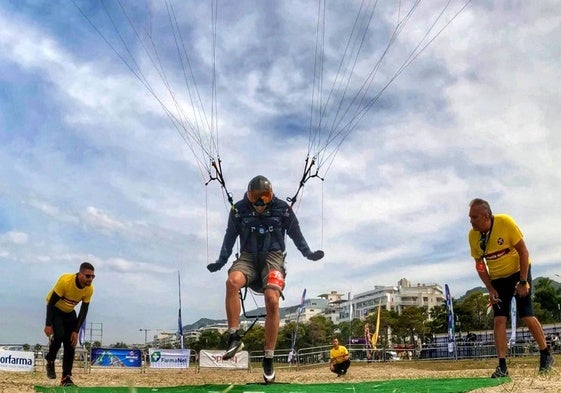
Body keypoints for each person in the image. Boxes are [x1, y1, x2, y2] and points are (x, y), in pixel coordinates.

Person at [207, 175, 324, 383]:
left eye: (265, 197)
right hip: (248, 257)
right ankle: (234, 336)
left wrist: (308, 253)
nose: (260, 202)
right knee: (231, 282)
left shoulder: (283, 209)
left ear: (271, 196)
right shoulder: (239, 210)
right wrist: (221, 260)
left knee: (272, 299)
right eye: (255, 197)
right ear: (249, 196)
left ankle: (268, 357)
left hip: (274, 257)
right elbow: (229, 236)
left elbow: (296, 234)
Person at [468, 198, 553, 378]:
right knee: (499, 320)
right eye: (470, 217)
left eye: (474, 217)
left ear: (485, 216)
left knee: (526, 314)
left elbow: (524, 251)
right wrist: (490, 288)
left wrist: (523, 282)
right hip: (498, 278)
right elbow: (480, 265)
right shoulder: (473, 236)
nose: (471, 221)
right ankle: (502, 366)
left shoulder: (505, 222)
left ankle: (545, 353)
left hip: (518, 272)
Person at [44, 262, 95, 387]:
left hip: (69, 312)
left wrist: (76, 331)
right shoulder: (65, 281)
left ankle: (66, 378)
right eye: (88, 276)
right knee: (60, 335)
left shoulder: (89, 289)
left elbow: (83, 311)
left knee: (71, 344)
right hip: (55, 309)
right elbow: (51, 303)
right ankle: (50, 360)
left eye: (93, 276)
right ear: (79, 274)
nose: (90, 279)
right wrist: (48, 324)